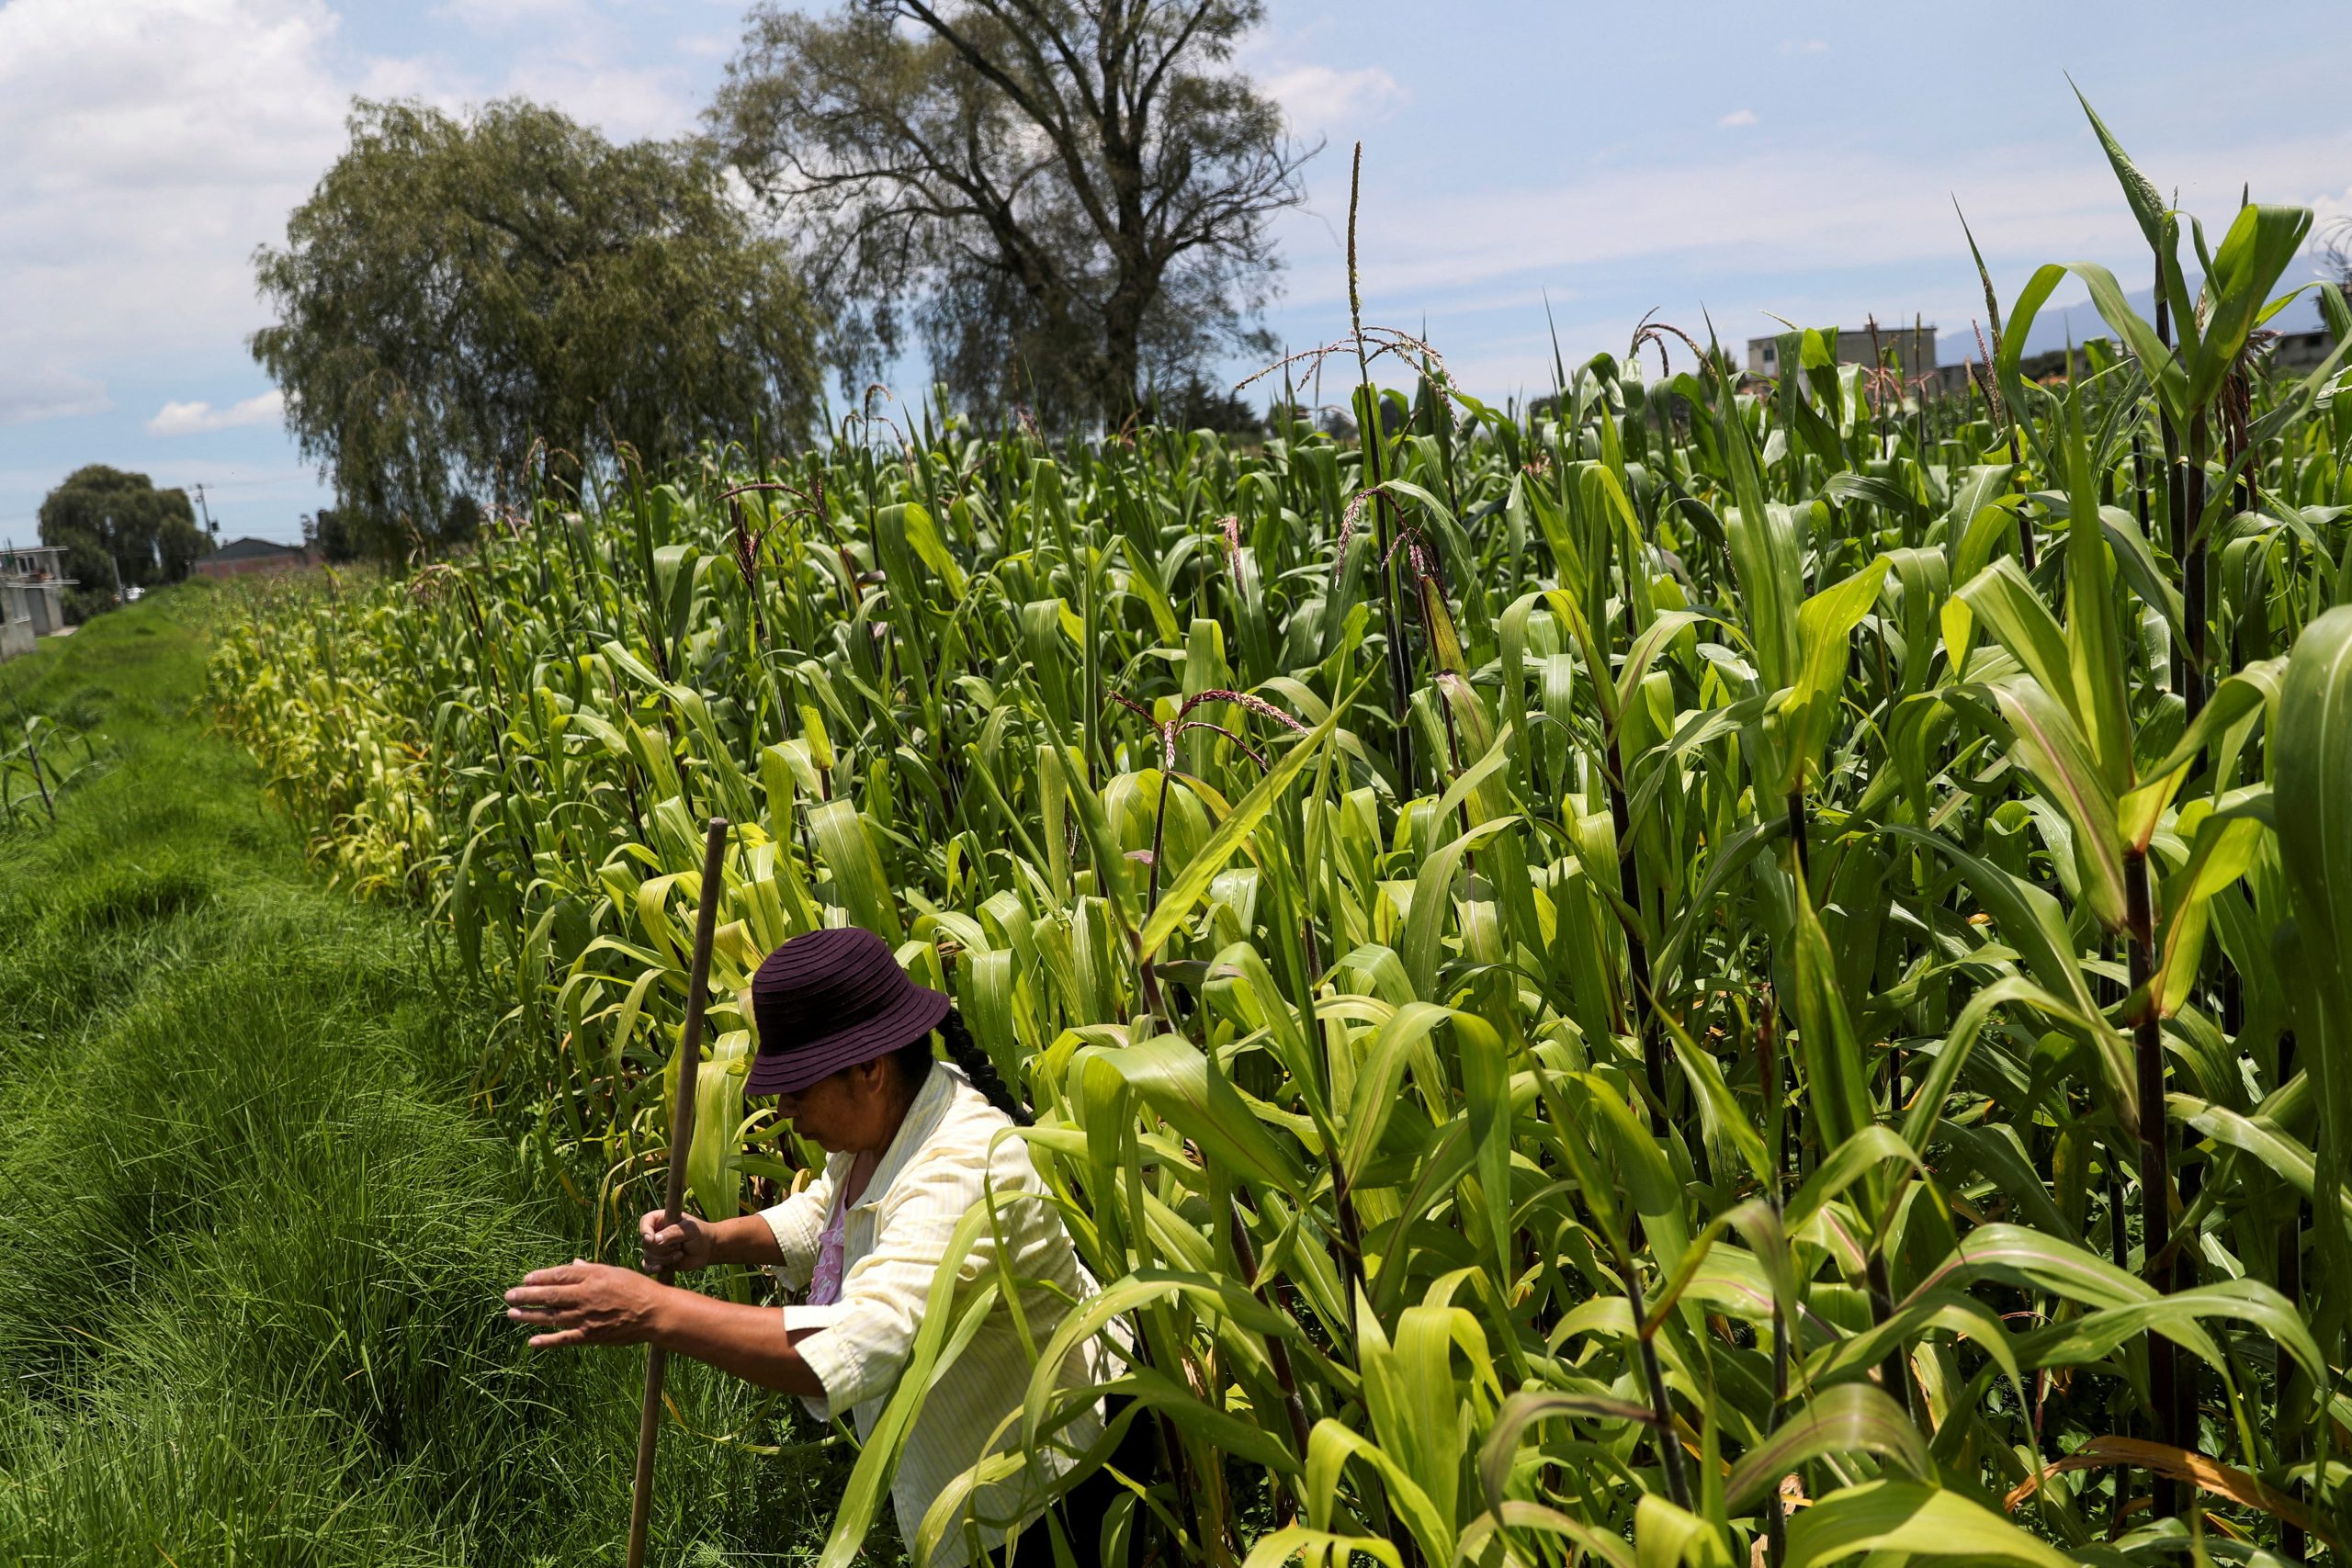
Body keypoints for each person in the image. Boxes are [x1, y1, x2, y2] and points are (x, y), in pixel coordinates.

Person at [504, 926, 1135, 1567]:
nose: (783, 1107)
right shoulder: (894, 1113)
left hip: (1042, 1488)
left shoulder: (961, 1170)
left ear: (869, 1070)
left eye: (799, 1087)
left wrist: (653, 1312)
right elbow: (829, 1215)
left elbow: (860, 1340)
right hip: (967, 1452)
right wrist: (714, 1240)